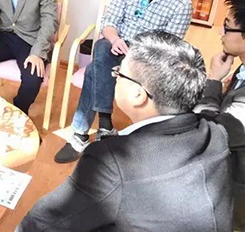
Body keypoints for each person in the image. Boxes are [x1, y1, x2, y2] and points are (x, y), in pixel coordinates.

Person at [18, 31, 232, 232]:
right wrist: (214, 80)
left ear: (138, 95)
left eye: (118, 73)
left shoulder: (112, 161)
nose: (115, 76)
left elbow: (43, 223)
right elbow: (209, 109)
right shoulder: (217, 132)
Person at [55, 0, 193, 163]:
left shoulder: (182, 4)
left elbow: (168, 48)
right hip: (116, 45)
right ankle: (104, 126)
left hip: (146, 58)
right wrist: (115, 39)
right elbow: (109, 23)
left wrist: (132, 61)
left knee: (93, 72)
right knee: (102, 48)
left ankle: (82, 134)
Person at [195, 0, 245, 229]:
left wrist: (213, 80)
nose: (221, 33)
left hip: (235, 200)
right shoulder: (241, 69)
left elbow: (211, 132)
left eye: (227, 27)